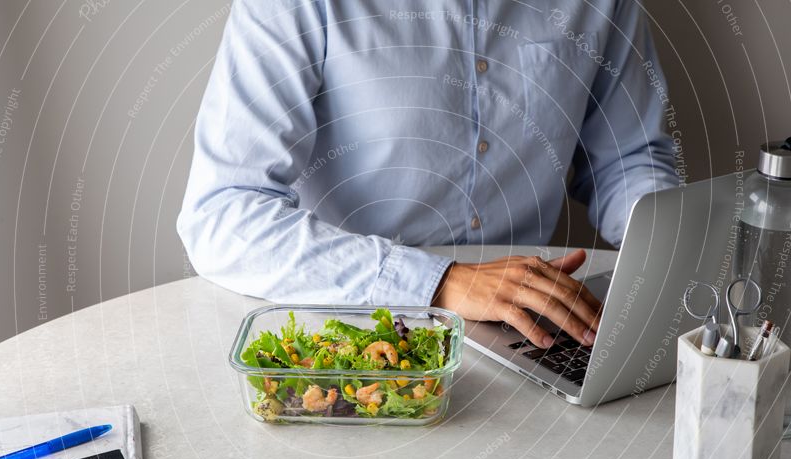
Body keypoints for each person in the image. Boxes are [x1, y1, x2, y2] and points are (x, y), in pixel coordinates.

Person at [178, 1, 678, 349]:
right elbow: (221, 214)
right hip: (349, 326)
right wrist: (438, 283)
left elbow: (626, 157)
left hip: (535, 327)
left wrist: (672, 247)